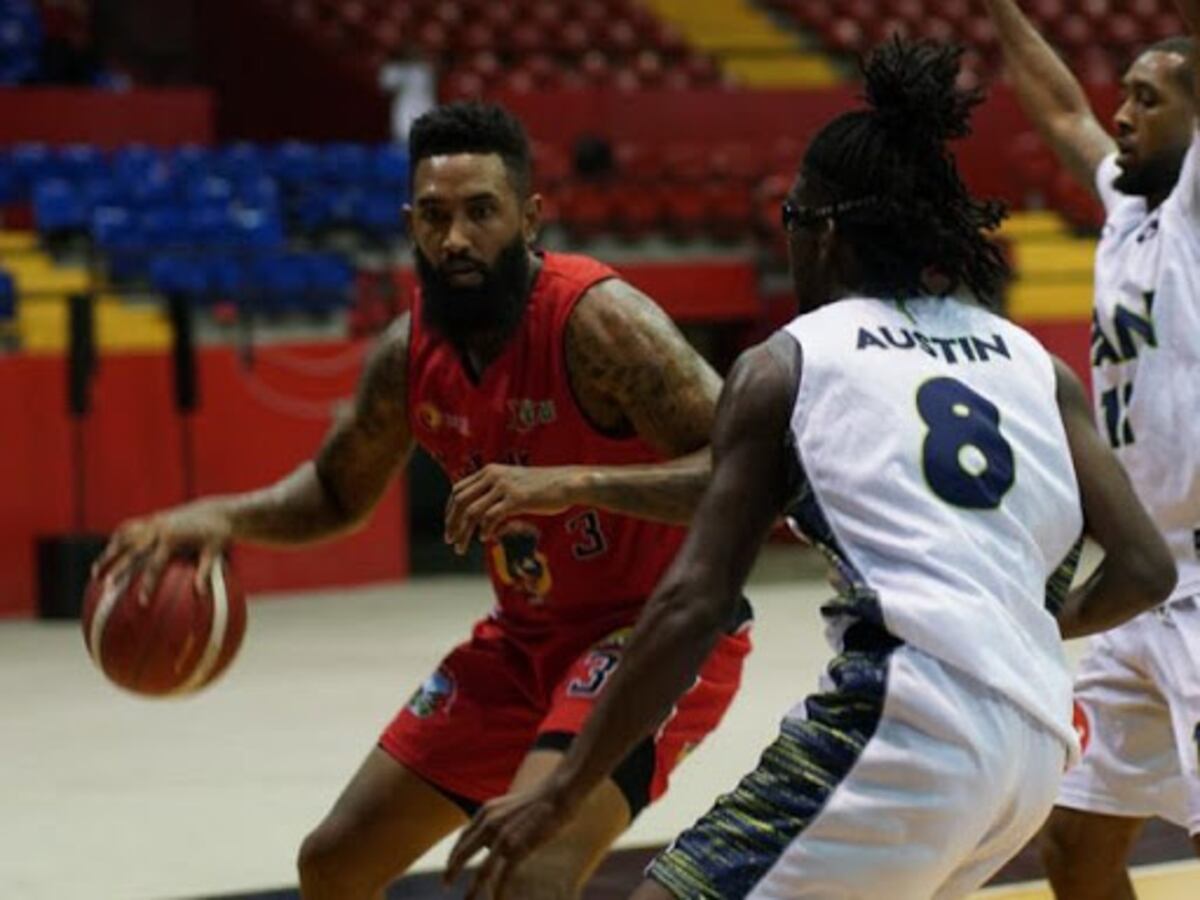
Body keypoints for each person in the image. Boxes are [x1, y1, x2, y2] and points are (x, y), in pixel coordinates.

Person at [445, 39, 1177, 900]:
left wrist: (562, 789)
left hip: (905, 729)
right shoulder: (1035, 365)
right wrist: (1012, 629)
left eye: (793, 218)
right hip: (1035, 752)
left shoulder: (789, 362)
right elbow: (1145, 567)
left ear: (825, 231)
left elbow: (693, 603)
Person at [93, 102, 753, 900]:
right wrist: (217, 517)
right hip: (524, 643)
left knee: (524, 873)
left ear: (529, 218)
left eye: (480, 212)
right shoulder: (408, 355)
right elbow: (335, 492)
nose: (456, 239)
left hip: (655, 629)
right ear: (410, 225)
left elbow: (747, 471)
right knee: (333, 864)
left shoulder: (599, 323)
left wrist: (574, 483)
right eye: (435, 217)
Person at [984, 1, 1200, 892]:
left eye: (1149, 99)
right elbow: (1063, 108)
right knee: (1074, 845)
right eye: (1128, 94)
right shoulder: (1126, 203)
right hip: (1145, 580)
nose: (1123, 113)